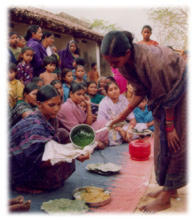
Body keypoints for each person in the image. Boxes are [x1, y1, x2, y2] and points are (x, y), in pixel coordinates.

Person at [101, 30, 186, 212]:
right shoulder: (124, 64)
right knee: (160, 139)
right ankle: (168, 190)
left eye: (114, 62)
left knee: (175, 141)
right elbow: (140, 91)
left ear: (127, 53)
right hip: (163, 99)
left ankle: (168, 194)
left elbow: (167, 97)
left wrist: (170, 127)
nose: (112, 66)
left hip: (180, 93)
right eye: (109, 62)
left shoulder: (154, 62)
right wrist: (122, 116)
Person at [9, 85, 90, 194]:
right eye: (51, 105)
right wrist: (70, 154)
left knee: (63, 134)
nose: (56, 109)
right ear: (38, 104)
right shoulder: (35, 126)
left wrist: (76, 150)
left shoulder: (51, 118)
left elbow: (55, 138)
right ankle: (21, 184)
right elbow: (38, 161)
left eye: (58, 104)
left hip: (31, 159)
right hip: (15, 170)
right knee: (58, 164)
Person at [57, 82, 109, 150]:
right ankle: (93, 143)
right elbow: (76, 130)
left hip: (82, 131)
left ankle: (93, 143)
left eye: (83, 94)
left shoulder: (77, 105)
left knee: (103, 122)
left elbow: (88, 123)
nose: (81, 97)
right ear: (71, 94)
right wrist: (93, 141)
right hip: (73, 135)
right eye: (78, 94)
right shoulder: (66, 106)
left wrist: (88, 105)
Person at [97, 81, 136, 145]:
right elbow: (101, 122)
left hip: (124, 126)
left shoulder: (123, 99)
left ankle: (126, 136)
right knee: (111, 136)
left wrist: (130, 129)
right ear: (107, 93)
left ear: (119, 89)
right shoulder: (103, 103)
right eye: (111, 90)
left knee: (140, 127)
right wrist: (120, 129)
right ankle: (124, 137)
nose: (114, 91)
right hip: (110, 127)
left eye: (116, 88)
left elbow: (132, 118)